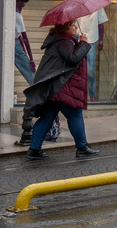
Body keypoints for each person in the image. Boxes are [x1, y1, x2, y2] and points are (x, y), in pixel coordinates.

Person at [21, 19, 99, 160]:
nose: (75, 26)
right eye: (72, 25)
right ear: (65, 28)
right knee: (75, 115)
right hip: (63, 87)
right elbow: (73, 58)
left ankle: (34, 150)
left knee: (47, 118)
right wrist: (84, 43)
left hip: (54, 88)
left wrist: (79, 43)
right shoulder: (63, 42)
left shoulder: (60, 40)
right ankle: (82, 147)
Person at [74, 0, 108, 102]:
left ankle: (92, 94)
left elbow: (101, 24)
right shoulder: (75, 5)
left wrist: (101, 40)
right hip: (78, 40)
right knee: (76, 68)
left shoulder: (96, 6)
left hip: (91, 41)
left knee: (90, 69)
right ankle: (77, 94)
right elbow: (72, 25)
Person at [14, 0, 36, 86]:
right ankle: (37, 90)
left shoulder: (15, 14)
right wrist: (31, 59)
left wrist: (25, 53)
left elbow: (20, 38)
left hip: (15, 41)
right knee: (29, 70)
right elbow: (25, 38)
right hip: (14, 43)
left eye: (24, 1)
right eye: (21, 1)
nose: (23, 3)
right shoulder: (17, 16)